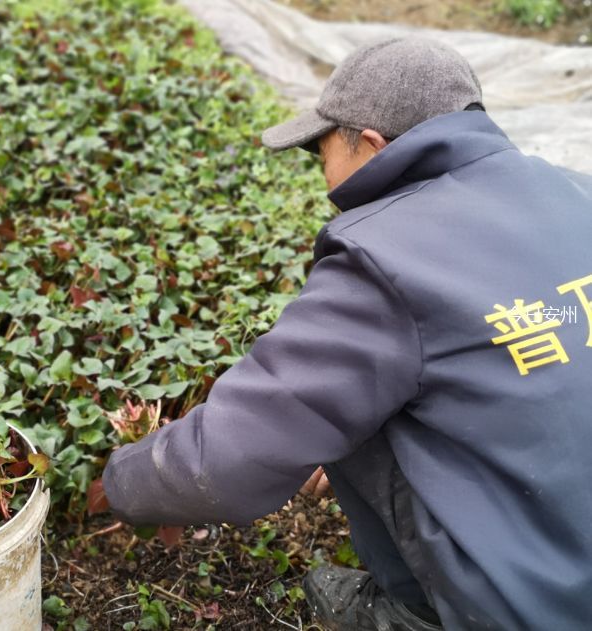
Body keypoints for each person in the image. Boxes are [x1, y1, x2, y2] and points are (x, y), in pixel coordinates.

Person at [102, 36, 592, 630]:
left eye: (322, 152)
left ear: (373, 145)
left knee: (346, 402)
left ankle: (417, 614)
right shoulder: (577, 190)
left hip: (531, 613)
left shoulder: (388, 255)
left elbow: (229, 460)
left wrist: (119, 482)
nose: (324, 176)